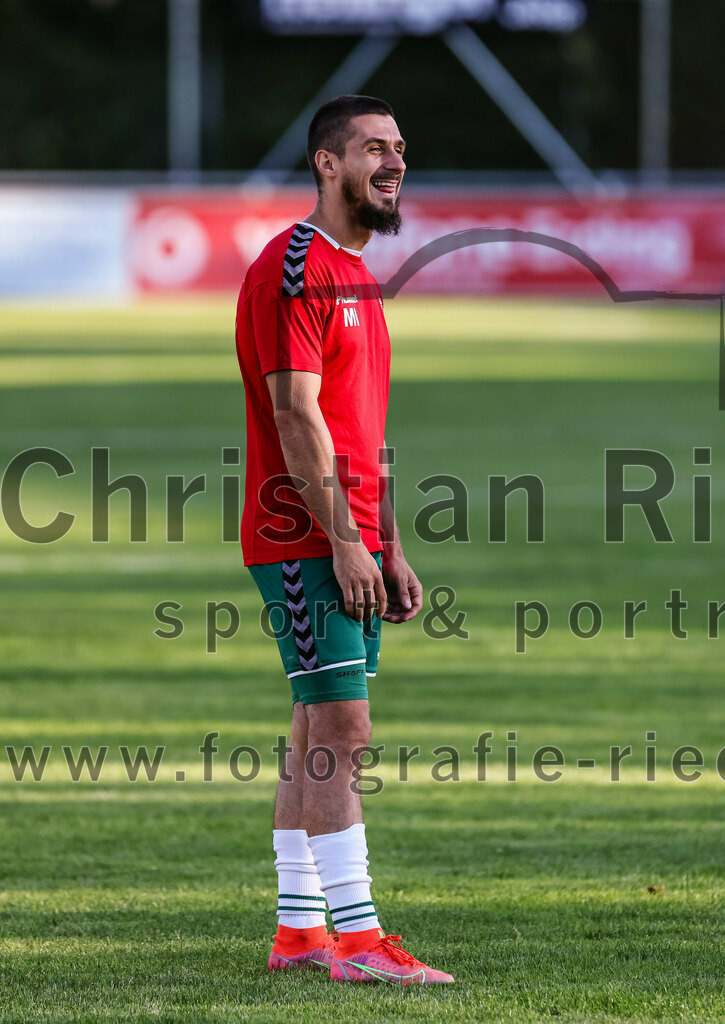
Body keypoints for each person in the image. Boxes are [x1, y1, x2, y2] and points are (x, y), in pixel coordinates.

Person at [234, 94, 453, 986]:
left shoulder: (358, 272)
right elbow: (295, 413)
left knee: (315, 724)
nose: (394, 163)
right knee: (345, 727)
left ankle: (299, 931)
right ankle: (359, 945)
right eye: (373, 149)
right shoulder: (297, 267)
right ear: (328, 164)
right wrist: (344, 545)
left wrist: (388, 541)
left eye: (399, 148)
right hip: (303, 537)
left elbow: (362, 429)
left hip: (349, 538)